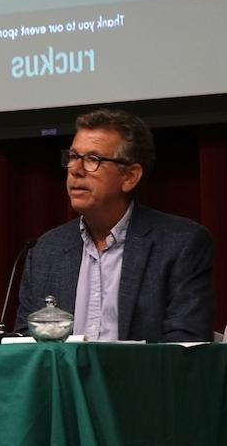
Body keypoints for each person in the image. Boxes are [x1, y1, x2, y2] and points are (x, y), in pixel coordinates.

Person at [14, 109, 214, 342]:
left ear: (130, 176)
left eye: (92, 159)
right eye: (73, 156)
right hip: (61, 378)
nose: (75, 170)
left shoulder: (179, 243)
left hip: (141, 377)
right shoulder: (45, 251)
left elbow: (186, 342)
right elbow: (24, 341)